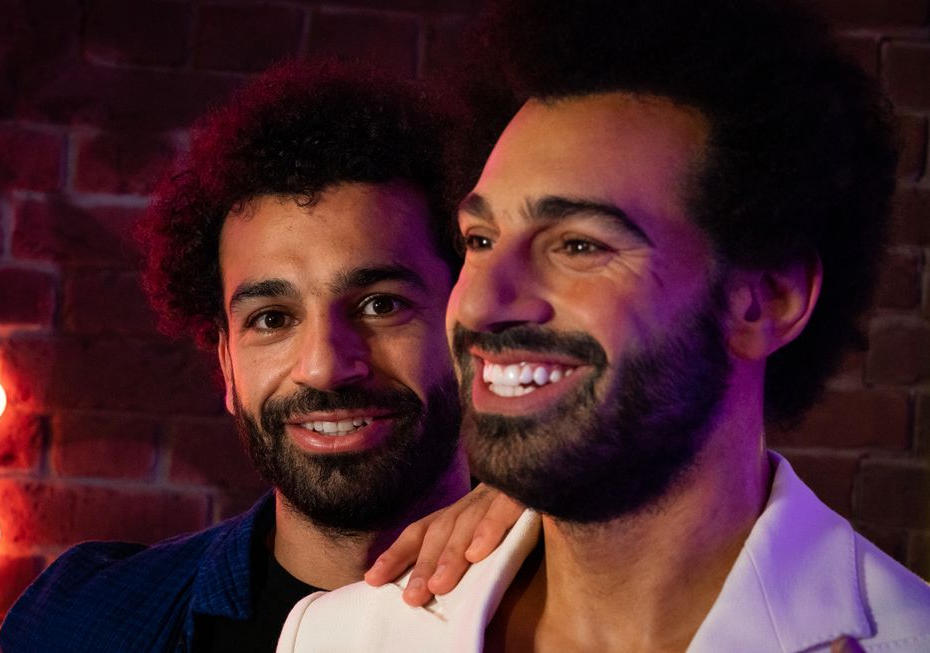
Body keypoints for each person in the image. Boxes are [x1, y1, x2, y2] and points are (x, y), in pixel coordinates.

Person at [276, 1, 930, 651]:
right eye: (479, 239)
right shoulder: (340, 635)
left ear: (765, 299)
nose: (479, 305)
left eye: (578, 245)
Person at [0, 59, 523, 653]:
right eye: (272, 319)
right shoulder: (85, 619)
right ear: (226, 365)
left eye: (380, 305)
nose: (325, 365)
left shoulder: (578, 610)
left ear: (468, 326)